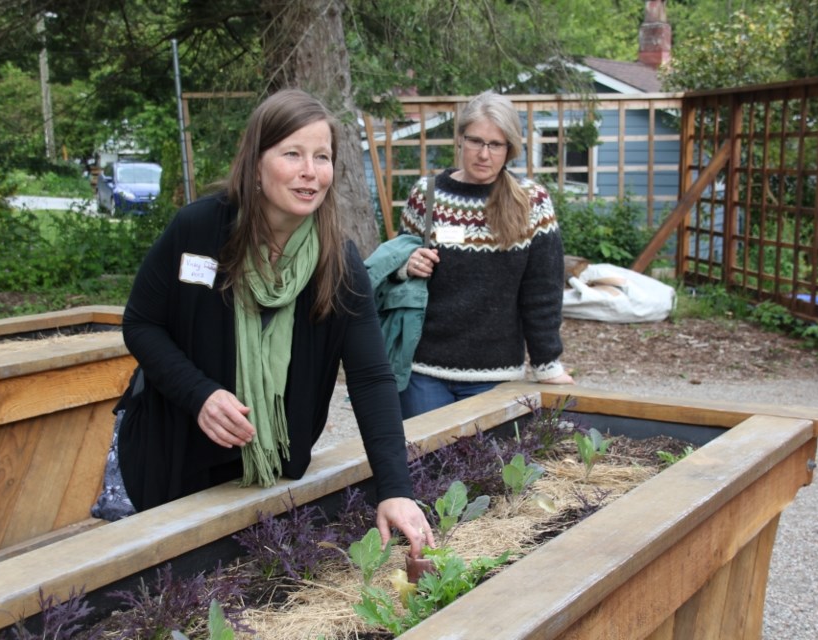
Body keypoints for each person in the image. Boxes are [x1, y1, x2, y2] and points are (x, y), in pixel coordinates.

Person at [93, 89, 433, 557]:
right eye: (292, 154)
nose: (310, 171)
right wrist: (201, 395)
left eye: (322, 157)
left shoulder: (337, 261)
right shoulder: (198, 231)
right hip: (171, 458)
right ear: (256, 162)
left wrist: (395, 488)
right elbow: (142, 324)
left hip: (267, 473)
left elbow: (371, 377)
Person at [395, 90, 574, 419]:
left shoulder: (531, 201)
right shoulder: (426, 195)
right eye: (475, 141)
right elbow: (395, 268)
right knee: (425, 469)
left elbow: (543, 292)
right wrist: (406, 266)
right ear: (460, 139)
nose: (483, 154)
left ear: (510, 148)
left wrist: (547, 364)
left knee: (490, 471)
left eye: (495, 144)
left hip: (496, 376)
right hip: (423, 372)